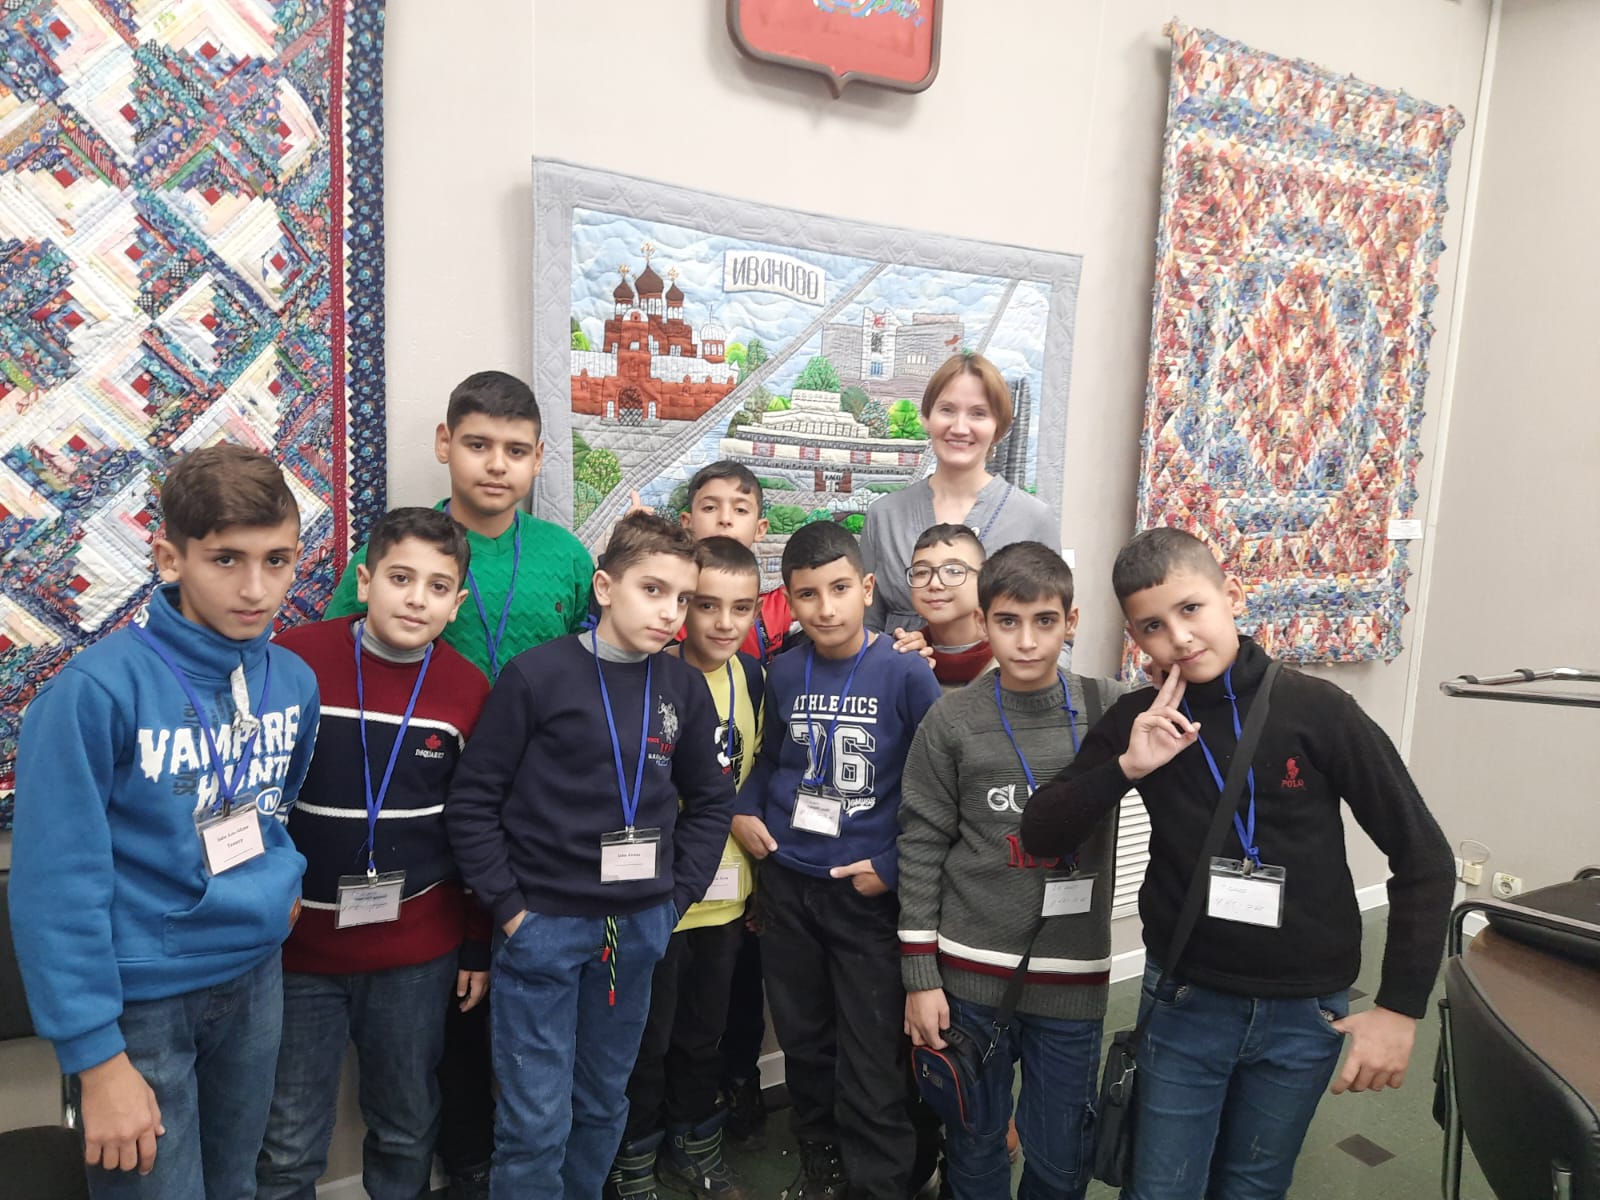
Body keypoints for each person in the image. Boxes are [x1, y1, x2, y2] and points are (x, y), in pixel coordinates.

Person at [1020, 528, 1456, 1200]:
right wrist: (1126, 767)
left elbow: (1423, 855)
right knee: (1162, 1189)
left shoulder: (1319, 711)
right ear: (1136, 637)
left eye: (1191, 609)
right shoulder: (1143, 719)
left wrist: (1400, 1008)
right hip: (1187, 999)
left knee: (1254, 1187)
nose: (1179, 637)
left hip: (1305, 1009)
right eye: (1153, 626)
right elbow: (1042, 831)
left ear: (1233, 594)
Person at [10, 443, 319, 1198]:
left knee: (236, 1185)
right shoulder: (94, 692)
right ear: (169, 558)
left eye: (277, 561)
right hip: (140, 1000)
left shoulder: (293, 681)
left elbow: (274, 803)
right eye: (226, 560)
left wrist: (276, 885)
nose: (256, 588)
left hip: (254, 974)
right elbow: (56, 885)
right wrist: (95, 1058)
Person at [325, 369, 592, 1198]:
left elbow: (597, 665)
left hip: (538, 813)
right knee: (445, 1007)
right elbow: (341, 657)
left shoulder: (566, 557)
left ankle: (525, 1161)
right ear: (445, 445)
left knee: (522, 989)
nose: (496, 465)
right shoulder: (405, 550)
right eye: (477, 444)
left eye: (515, 450)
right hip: (416, 800)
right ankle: (466, 1164)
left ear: (539, 459)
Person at [447, 512, 737, 1200]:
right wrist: (511, 910)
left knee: (605, 1101)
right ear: (605, 588)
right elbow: (474, 801)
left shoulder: (681, 688)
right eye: (652, 590)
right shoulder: (536, 676)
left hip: (635, 930)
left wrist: (673, 901)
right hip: (543, 927)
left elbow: (711, 801)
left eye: (682, 599)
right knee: (535, 1118)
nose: (669, 613)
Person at [257, 508, 492, 1199]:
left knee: (405, 1123)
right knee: (288, 1139)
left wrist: (476, 943)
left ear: (457, 603)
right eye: (400, 578)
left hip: (414, 956)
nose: (417, 599)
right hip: (298, 952)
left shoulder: (468, 689)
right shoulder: (294, 659)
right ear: (364, 582)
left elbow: (474, 826)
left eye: (437, 587)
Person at [898, 542, 1121, 1200]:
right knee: (975, 1145)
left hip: (1072, 979)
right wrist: (919, 977)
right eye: (1007, 622)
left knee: (1060, 1158)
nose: (1026, 641)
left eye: (1044, 621)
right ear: (983, 620)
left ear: (1070, 621)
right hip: (969, 979)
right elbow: (922, 843)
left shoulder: (1108, 709)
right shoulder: (951, 719)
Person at [732, 521, 943, 1200]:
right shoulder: (783, 671)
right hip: (789, 884)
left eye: (840, 589)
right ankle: (821, 1161)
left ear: (868, 588)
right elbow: (773, 760)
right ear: (788, 600)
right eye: (808, 594)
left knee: (872, 1051)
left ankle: (879, 1181)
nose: (825, 608)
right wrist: (745, 811)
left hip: (864, 894)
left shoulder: (907, 673)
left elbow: (940, 789)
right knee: (805, 1040)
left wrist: (893, 866)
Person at [608, 537, 765, 1200]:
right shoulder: (655, 677)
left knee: (703, 1036)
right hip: (658, 899)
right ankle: (633, 1159)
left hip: (724, 899)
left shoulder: (753, 677)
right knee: (645, 1041)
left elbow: (757, 775)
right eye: (706, 605)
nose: (724, 623)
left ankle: (695, 1144)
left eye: (742, 608)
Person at [677, 459, 784, 1145]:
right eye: (709, 505)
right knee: (660, 1022)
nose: (723, 621)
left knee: (724, 1007)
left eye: (738, 508)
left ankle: (724, 1104)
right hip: (666, 882)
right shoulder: (657, 658)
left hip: (735, 876)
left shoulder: (757, 665)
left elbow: (764, 758)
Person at [861, 352, 1057, 635]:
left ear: (999, 428)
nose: (960, 428)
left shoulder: (1034, 518)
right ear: (927, 418)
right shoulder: (884, 515)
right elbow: (864, 628)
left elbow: (1056, 636)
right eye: (947, 410)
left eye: (978, 413)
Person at [679, 460, 793, 663]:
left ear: (760, 529)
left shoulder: (780, 601)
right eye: (710, 507)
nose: (725, 519)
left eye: (740, 510)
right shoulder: (669, 595)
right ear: (687, 524)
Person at [900, 524, 993, 689]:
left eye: (954, 571)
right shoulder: (904, 655)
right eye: (922, 572)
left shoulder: (1012, 657)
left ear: (983, 580)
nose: (935, 584)